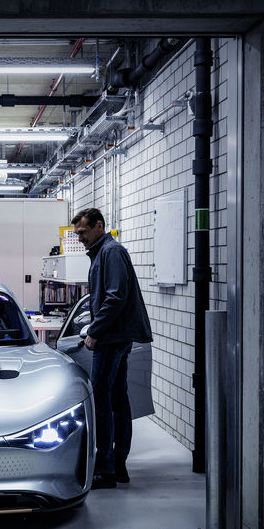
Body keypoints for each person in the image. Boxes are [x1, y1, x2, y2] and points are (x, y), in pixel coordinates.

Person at [71, 208, 153, 490]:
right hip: (116, 336)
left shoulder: (111, 252)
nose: (80, 238)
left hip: (112, 338)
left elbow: (115, 297)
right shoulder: (103, 252)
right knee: (117, 399)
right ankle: (118, 465)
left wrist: (95, 331)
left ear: (99, 226)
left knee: (102, 401)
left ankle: (106, 468)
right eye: (77, 233)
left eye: (83, 232)